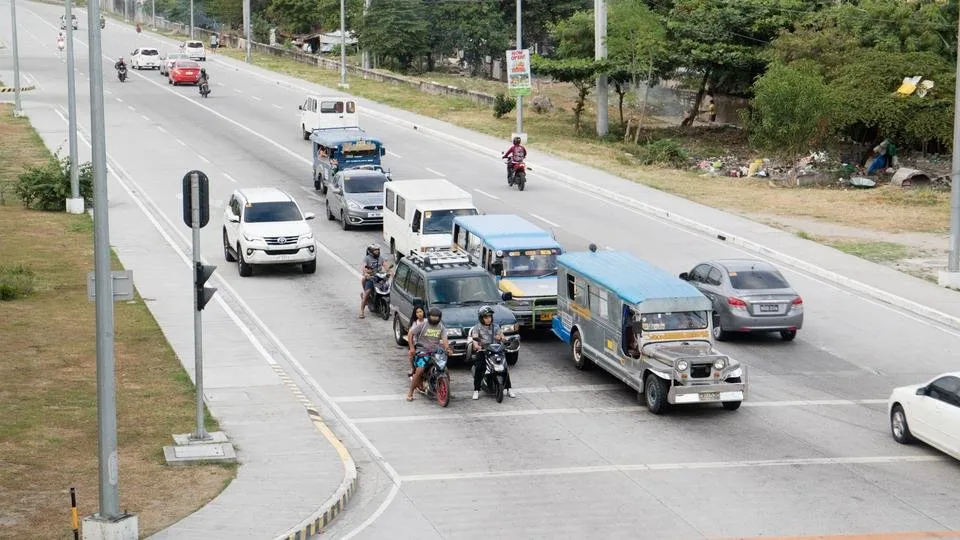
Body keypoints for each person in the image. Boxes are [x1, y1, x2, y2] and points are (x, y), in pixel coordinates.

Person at [406, 308, 452, 401]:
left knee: (444, 369)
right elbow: (410, 333)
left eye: (437, 317)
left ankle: (447, 391)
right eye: (433, 317)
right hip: (422, 350)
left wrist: (447, 348)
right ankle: (410, 392)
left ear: (439, 318)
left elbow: (444, 339)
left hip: (435, 351)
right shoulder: (423, 325)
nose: (435, 319)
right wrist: (411, 348)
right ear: (429, 316)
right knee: (420, 370)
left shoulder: (441, 327)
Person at [470, 305, 515, 400]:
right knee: (479, 367)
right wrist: (477, 346)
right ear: (481, 318)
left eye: (490, 317)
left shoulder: (496, 327)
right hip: (483, 350)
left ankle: (509, 388)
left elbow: (502, 337)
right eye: (486, 317)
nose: (488, 319)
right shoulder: (477, 328)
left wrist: (502, 339)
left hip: (496, 350)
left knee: (504, 367)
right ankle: (476, 390)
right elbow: (475, 340)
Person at [359, 244, 385, 318]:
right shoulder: (367, 258)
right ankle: (362, 311)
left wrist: (390, 273)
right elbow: (364, 268)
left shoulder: (381, 258)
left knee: (387, 290)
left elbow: (386, 266)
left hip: (379, 277)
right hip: (371, 278)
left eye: (378, 250)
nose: (377, 251)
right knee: (367, 293)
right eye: (375, 250)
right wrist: (366, 274)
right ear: (371, 251)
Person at [405, 306, 426, 380]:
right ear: (415, 314)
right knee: (411, 354)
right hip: (417, 344)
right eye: (417, 312)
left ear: (423, 312)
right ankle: (413, 369)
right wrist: (411, 347)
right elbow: (410, 334)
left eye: (421, 311)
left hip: (428, 343)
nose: (419, 314)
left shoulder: (427, 321)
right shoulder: (415, 323)